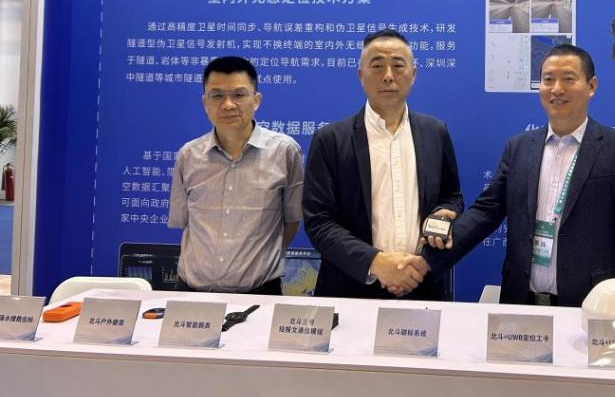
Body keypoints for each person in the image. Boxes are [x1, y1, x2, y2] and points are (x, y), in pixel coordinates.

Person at [423, 44, 615, 307]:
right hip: (521, 302)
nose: (557, 89)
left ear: (591, 86)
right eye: (548, 80)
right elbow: (486, 212)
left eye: (568, 79)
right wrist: (426, 261)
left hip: (591, 306)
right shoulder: (519, 147)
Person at [303, 29, 463, 299]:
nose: (388, 75)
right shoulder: (330, 139)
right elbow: (319, 221)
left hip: (422, 283)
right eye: (377, 66)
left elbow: (452, 196)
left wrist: (444, 213)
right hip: (350, 289)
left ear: (413, 73)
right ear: (360, 74)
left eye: (398, 65)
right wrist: (376, 263)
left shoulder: (435, 132)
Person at [168, 56, 303, 294]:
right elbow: (184, 221)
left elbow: (291, 221)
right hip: (191, 292)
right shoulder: (188, 156)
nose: (228, 104)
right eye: (217, 95)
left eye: (239, 95)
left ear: (256, 100)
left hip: (260, 292)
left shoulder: (285, 152)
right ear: (205, 102)